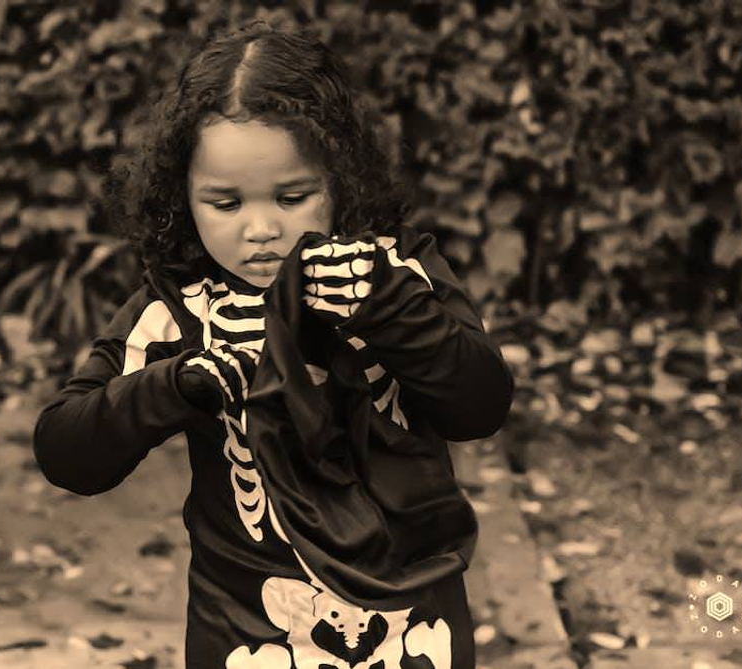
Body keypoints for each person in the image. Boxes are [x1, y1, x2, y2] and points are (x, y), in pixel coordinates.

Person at [33, 21, 513, 669]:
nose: (262, 230)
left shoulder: (398, 273)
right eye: (225, 203)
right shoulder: (177, 313)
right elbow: (66, 450)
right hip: (245, 634)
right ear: (183, 196)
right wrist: (175, 383)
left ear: (340, 177)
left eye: (292, 197)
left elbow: (481, 405)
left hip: (413, 622)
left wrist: (391, 309)